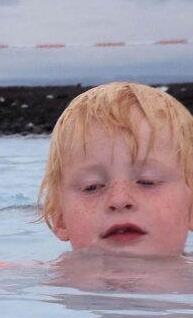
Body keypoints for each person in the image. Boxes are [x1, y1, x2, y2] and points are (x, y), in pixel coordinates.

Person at [38, 81, 193, 257]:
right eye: (92, 187)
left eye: (147, 182)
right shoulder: (42, 272)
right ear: (60, 218)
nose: (119, 200)